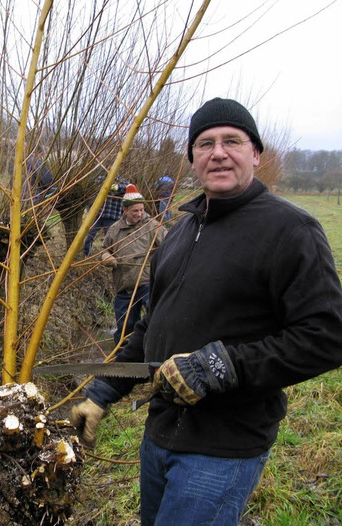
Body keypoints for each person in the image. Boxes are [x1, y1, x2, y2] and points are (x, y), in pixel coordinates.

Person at [70, 98, 342, 526]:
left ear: (255, 153)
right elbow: (148, 329)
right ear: (193, 159)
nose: (218, 152)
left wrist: (223, 365)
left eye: (232, 141)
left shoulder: (290, 231)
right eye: (204, 143)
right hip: (160, 435)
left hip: (222, 448)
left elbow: (327, 336)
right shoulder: (180, 233)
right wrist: (103, 392)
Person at [99, 184, 165, 349]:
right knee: (125, 330)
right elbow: (103, 250)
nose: (140, 214)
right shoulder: (114, 230)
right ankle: (123, 362)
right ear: (125, 210)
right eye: (135, 211)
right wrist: (107, 257)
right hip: (124, 287)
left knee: (156, 316)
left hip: (147, 284)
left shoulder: (151, 226)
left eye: (142, 210)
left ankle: (153, 350)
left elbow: (170, 245)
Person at [83, 170, 128, 257]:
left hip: (112, 216)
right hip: (98, 214)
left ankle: (109, 256)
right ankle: (86, 254)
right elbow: (93, 185)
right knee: (90, 235)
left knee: (111, 239)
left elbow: (127, 187)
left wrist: (116, 187)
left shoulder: (122, 181)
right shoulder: (100, 179)